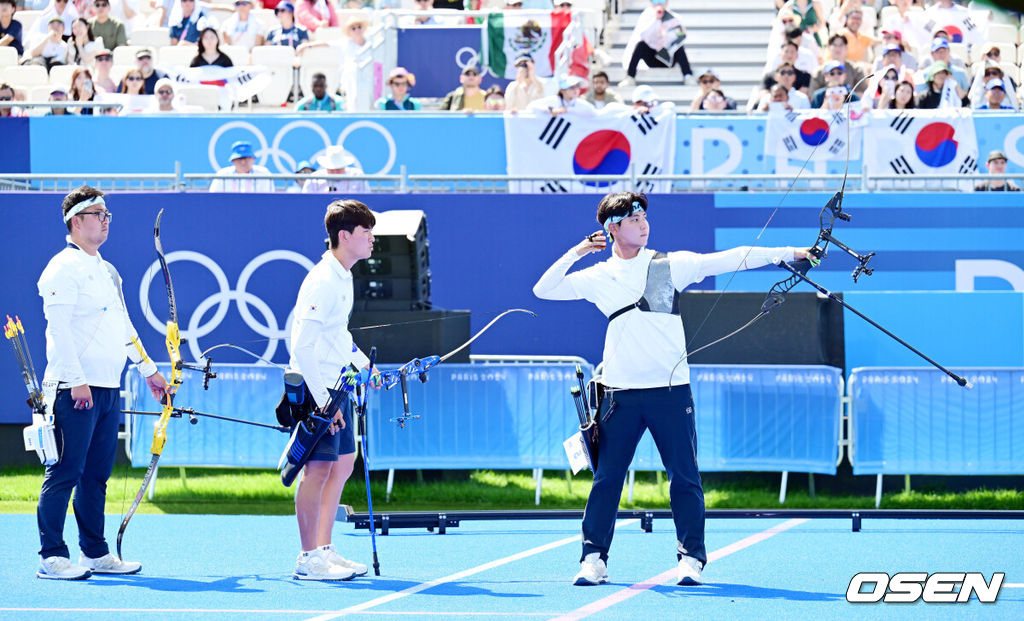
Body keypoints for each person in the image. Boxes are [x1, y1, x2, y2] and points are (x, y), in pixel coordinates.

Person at [532, 192, 811, 587]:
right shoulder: (597, 277)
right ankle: (593, 558)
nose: (643, 224)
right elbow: (544, 289)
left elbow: (733, 257)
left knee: (684, 476)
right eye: (633, 219)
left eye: (645, 217)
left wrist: (793, 252)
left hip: (670, 390)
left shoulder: (670, 265)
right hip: (619, 395)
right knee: (607, 478)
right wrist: (579, 250)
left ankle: (690, 559)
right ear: (611, 228)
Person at [34, 186, 169, 581]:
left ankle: (94, 551)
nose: (106, 220)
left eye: (108, 214)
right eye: (98, 214)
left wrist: (149, 372)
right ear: (75, 221)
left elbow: (123, 325)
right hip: (74, 389)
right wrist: (77, 382)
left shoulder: (106, 269)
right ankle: (52, 556)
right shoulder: (60, 268)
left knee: (96, 475)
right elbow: (58, 331)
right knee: (65, 472)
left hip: (108, 387)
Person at [287, 198, 377, 581]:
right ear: (344, 236)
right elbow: (303, 347)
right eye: (366, 232)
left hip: (337, 383)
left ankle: (324, 548)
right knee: (318, 470)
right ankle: (308, 557)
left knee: (342, 464)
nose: (373, 239)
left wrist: (363, 364)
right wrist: (325, 403)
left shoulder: (344, 276)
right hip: (315, 388)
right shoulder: (322, 280)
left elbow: (336, 334)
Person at [619, 0, 691, 87]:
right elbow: (643, 36)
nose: (659, 3)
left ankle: (688, 75)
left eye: (662, 1)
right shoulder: (646, 16)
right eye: (655, 1)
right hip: (652, 57)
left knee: (679, 47)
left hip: (669, 57)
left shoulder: (675, 17)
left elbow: (680, 36)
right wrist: (656, 20)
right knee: (640, 45)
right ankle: (630, 77)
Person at [209, 141, 274, 192]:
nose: (243, 162)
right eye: (239, 159)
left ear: (253, 159)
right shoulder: (222, 174)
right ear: (233, 161)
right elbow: (213, 197)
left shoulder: (264, 174)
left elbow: (268, 199)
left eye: (246, 158)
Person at [303, 145, 367, 193]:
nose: (335, 172)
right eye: (332, 169)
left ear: (344, 166)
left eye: (339, 168)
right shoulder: (314, 178)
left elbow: (366, 200)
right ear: (326, 167)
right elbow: (305, 200)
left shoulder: (357, 175)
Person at [527, 74, 595, 116]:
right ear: (562, 90)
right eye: (572, 88)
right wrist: (551, 110)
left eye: (577, 87)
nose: (576, 90)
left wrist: (568, 110)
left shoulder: (580, 103)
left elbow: (592, 112)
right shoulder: (554, 100)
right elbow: (531, 107)